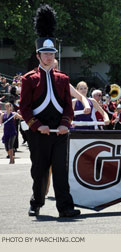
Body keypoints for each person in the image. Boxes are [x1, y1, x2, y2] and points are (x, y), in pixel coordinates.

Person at [20, 4, 80, 217]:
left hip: (60, 133)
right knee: (39, 172)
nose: (48, 57)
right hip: (38, 133)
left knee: (61, 172)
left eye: (51, 53)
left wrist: (65, 124)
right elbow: (24, 108)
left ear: (55, 56)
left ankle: (65, 207)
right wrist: (37, 126)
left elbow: (68, 106)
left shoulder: (63, 79)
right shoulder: (28, 80)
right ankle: (36, 202)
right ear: (38, 55)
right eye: (44, 53)